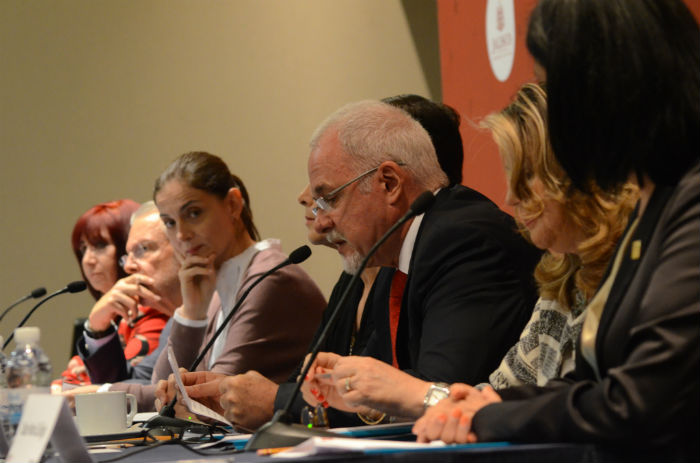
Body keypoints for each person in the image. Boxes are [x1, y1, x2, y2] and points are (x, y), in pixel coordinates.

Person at [414, 1, 699, 460]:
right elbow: (590, 384)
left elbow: (641, 402)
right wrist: (492, 402)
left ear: (612, 85)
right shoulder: (660, 198)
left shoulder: (691, 197)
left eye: (558, 85)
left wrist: (490, 418)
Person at [301, 83, 638, 420]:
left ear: (577, 177)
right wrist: (371, 394)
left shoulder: (641, 275)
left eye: (525, 176)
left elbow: (607, 411)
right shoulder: (564, 276)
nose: (510, 198)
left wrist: (413, 393)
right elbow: (499, 396)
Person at [154, 95, 472, 429]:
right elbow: (304, 383)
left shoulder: (456, 241)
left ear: (390, 181)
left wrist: (273, 402)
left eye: (329, 196)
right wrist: (231, 396)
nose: (312, 208)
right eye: (169, 222)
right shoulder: (362, 272)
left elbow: (433, 392)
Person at [299, 99, 540, 424]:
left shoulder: (465, 240)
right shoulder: (395, 255)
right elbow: (382, 385)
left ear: (389, 183)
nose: (323, 221)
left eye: (330, 198)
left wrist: (280, 401)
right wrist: (344, 387)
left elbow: (444, 387)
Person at [142, 151, 325, 414]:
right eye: (169, 222)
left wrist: (98, 395)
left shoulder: (270, 278)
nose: (181, 234)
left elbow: (210, 400)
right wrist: (192, 313)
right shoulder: (216, 288)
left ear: (232, 204)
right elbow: (162, 389)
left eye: (193, 213)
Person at [60, 199, 167, 386]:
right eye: (83, 249)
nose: (87, 260)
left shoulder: (156, 312)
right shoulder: (115, 319)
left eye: (100, 245)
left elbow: (119, 386)